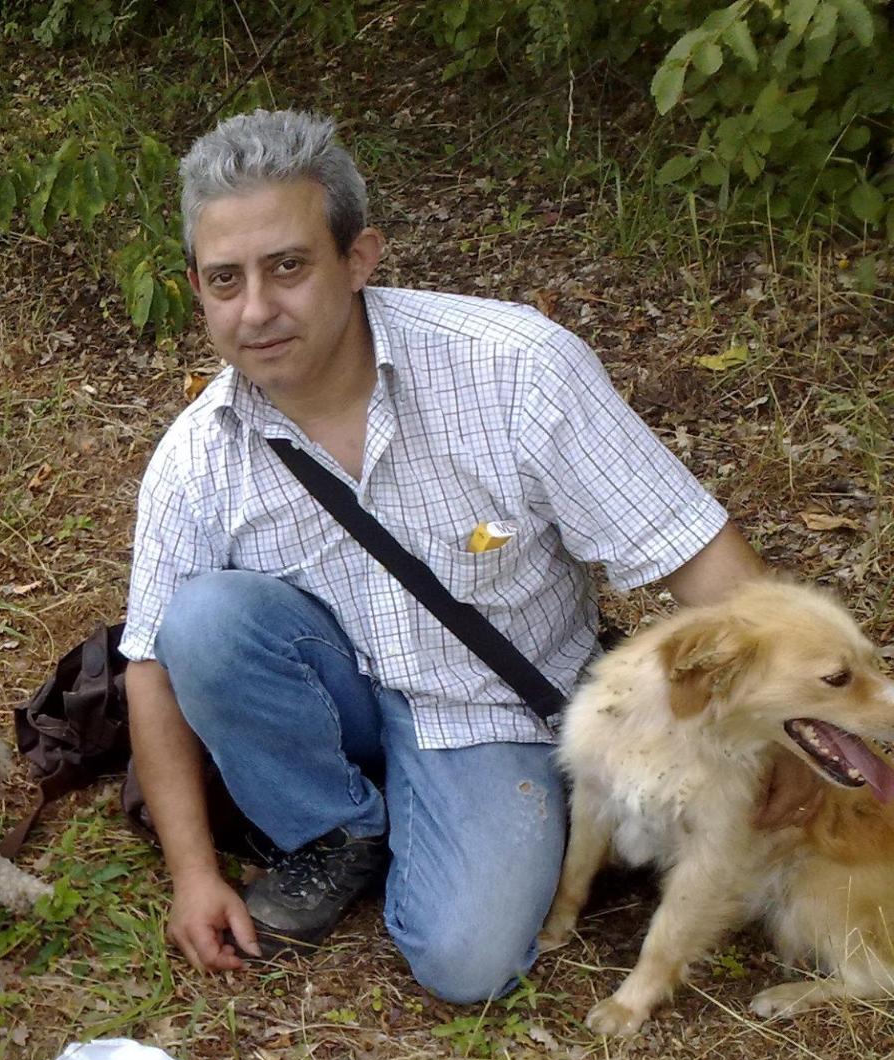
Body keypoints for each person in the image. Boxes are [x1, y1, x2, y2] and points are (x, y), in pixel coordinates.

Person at [122, 108, 814, 1004]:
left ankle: (457, 817)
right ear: (199, 291)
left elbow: (695, 553)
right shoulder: (195, 455)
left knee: (467, 963)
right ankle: (336, 827)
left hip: (489, 707)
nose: (255, 310)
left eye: (286, 266)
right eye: (225, 281)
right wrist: (192, 873)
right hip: (336, 687)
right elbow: (148, 666)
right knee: (201, 620)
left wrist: (795, 725)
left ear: (358, 258)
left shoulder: (516, 369)